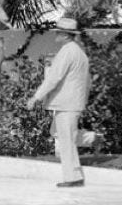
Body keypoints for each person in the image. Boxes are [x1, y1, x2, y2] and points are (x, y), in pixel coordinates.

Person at [26, 17, 91, 188]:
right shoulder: (79, 53)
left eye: (58, 32)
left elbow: (53, 78)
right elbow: (87, 81)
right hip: (73, 103)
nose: (56, 35)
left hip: (66, 104)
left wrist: (36, 97)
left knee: (66, 139)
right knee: (60, 133)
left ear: (65, 35)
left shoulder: (66, 52)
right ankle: (75, 172)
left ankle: (72, 176)